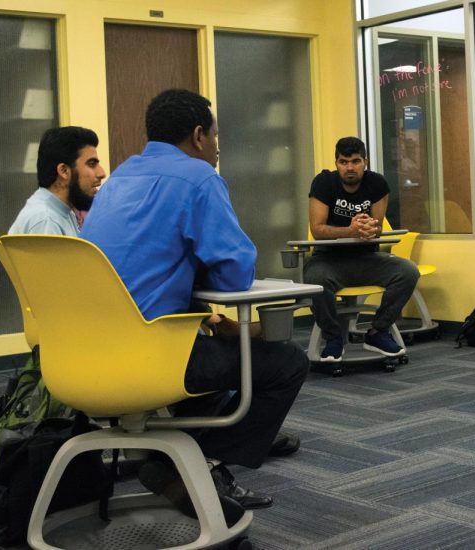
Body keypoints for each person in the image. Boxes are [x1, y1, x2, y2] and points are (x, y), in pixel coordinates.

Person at [81, 89, 308, 514]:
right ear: (199, 135)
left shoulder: (119, 180)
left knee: (211, 359)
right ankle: (201, 466)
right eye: (217, 136)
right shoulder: (199, 178)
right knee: (287, 361)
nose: (219, 148)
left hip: (84, 356)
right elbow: (235, 273)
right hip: (150, 356)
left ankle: (176, 465)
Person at [304, 137, 420, 362]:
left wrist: (369, 230)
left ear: (365, 162)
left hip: (367, 259)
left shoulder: (377, 184)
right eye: (344, 161)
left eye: (355, 161)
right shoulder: (323, 183)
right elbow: (317, 230)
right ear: (336, 163)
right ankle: (334, 338)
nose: (349, 167)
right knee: (314, 279)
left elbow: (376, 229)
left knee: (407, 271)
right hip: (328, 262)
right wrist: (351, 230)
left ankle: (378, 331)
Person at [9, 126, 106, 235]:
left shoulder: (62, 211)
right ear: (64, 171)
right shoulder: (46, 220)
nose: (102, 173)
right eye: (92, 164)